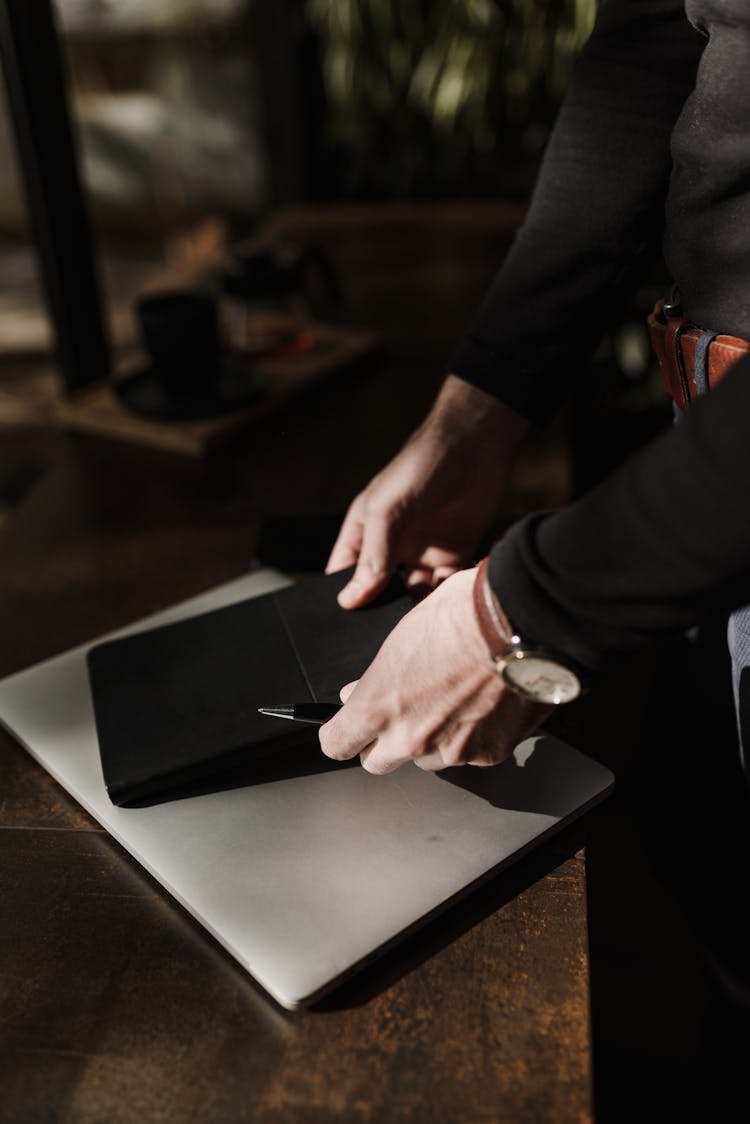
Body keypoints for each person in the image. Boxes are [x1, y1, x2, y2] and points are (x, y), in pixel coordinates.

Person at [316, 0, 750, 1082]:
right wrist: (479, 411)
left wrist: (521, 615)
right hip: (709, 478)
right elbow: (662, 38)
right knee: (718, 877)